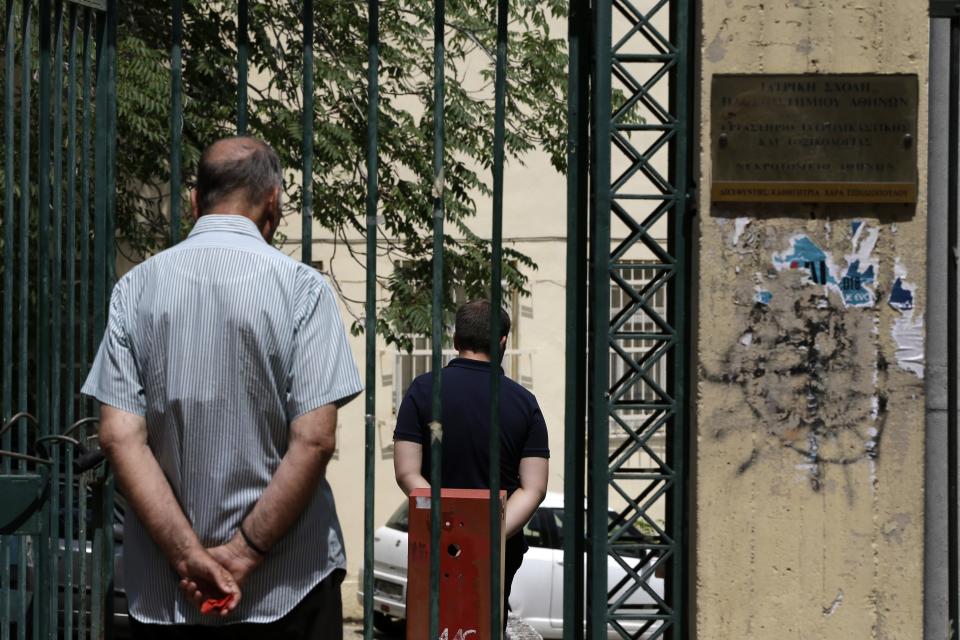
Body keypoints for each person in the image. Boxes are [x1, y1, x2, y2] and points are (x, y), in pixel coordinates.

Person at [82, 137, 362, 639]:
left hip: (169, 593)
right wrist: (243, 553)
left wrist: (189, 558)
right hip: (290, 589)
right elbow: (316, 440)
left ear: (194, 201)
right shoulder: (302, 290)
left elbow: (120, 437)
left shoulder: (135, 289)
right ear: (272, 202)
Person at [392, 299, 549, 634]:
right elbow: (534, 487)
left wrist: (447, 524)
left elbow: (407, 472)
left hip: (435, 541)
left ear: (455, 340)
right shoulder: (524, 403)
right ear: (504, 341)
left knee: (431, 625)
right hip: (496, 550)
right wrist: (485, 533)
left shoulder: (422, 391)